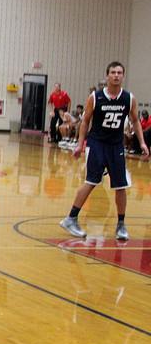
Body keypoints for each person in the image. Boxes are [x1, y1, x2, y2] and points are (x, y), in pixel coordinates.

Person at [60, 61, 148, 242]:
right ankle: (71, 218)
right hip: (97, 143)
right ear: (107, 76)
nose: (116, 75)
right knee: (91, 181)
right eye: (113, 72)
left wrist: (142, 142)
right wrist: (80, 144)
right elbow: (85, 121)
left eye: (119, 73)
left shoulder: (129, 98)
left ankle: (121, 225)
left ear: (123, 76)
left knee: (120, 186)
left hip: (116, 146)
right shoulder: (95, 97)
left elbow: (136, 121)